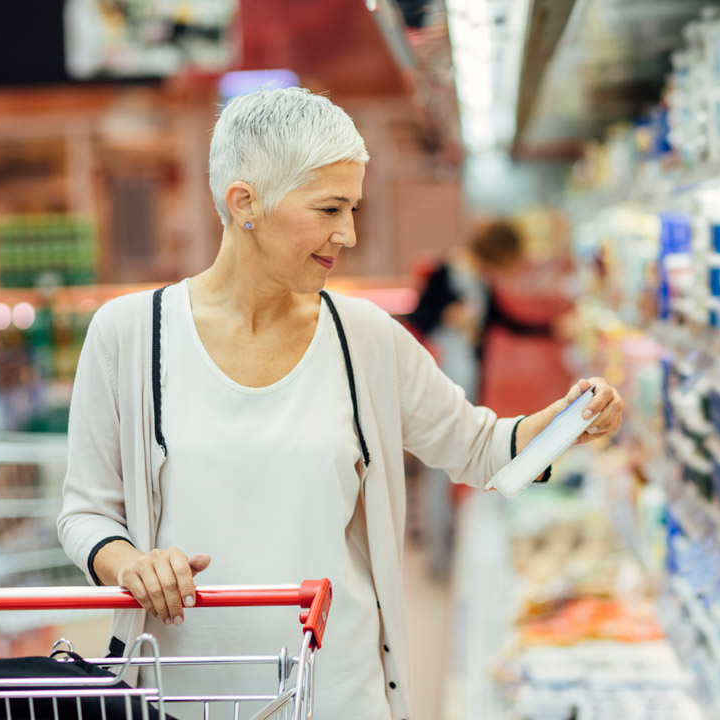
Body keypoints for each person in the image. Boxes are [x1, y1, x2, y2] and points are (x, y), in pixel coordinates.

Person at [56, 88, 622, 720]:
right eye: (329, 208)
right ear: (245, 203)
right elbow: (85, 516)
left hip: (338, 693)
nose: (348, 233)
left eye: (352, 208)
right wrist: (132, 563)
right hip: (187, 693)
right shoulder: (131, 335)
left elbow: (484, 451)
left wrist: (569, 422)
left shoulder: (366, 337)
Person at [406, 220, 566, 577]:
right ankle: (438, 557)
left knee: (461, 460)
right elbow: (418, 315)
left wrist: (553, 328)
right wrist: (446, 317)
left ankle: (450, 548)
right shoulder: (445, 273)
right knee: (438, 469)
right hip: (441, 380)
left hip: (467, 383)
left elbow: (505, 321)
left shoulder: (482, 281)